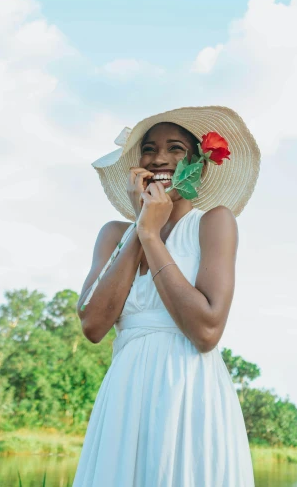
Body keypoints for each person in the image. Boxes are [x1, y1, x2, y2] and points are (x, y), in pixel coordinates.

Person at [73, 105, 261, 487]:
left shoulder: (214, 223)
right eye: (149, 149)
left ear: (200, 164)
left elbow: (206, 331)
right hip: (125, 394)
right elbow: (93, 325)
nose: (159, 158)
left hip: (188, 391)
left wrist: (151, 237)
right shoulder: (113, 234)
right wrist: (138, 227)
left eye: (176, 148)